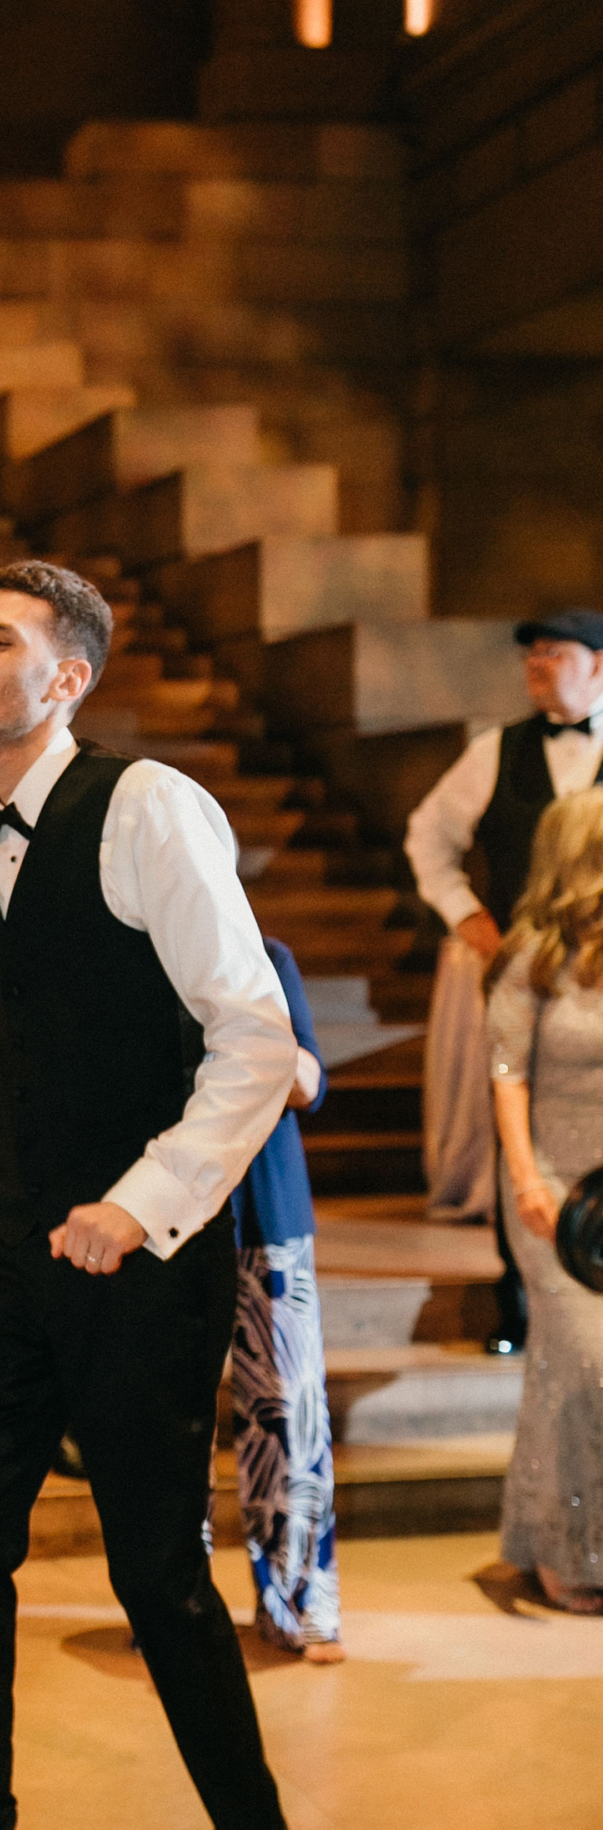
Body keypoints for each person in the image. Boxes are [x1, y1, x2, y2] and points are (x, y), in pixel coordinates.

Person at [0, 561, 300, 1830]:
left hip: (142, 1260)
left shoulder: (147, 810)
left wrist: (136, 1203)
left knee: (152, 1572)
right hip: (11, 1247)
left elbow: (251, 1039)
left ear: (66, 678)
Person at [406, 609, 603, 1351]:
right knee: (515, 1104)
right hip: (529, 971)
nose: (536, 665)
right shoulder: (498, 750)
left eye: (554, 654)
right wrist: (468, 919)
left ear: (597, 665)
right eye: (530, 655)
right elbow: (427, 837)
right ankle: (515, 1300)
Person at [485, 790, 603, 1613]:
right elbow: (506, 1073)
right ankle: (567, 1550)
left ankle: (548, 1536)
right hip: (551, 1189)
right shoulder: (530, 954)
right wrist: (526, 1177)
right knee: (583, 1356)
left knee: (572, 1370)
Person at [232, 938, 342, 1661]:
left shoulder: (262, 954)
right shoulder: (126, 953)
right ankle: (172, 1612)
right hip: (159, 1210)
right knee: (161, 1424)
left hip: (267, 1207)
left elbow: (309, 1082)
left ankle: (300, 1602)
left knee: (289, 1417)